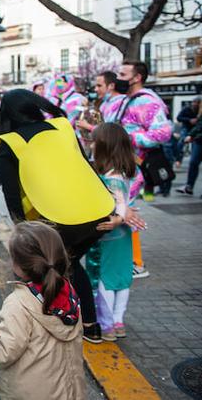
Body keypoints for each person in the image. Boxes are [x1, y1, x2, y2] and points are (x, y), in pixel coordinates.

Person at [0, 89, 116, 343]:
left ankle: (52, 329)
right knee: (70, 264)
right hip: (97, 214)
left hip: (56, 220)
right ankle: (90, 325)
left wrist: (23, 232)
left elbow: (12, 198)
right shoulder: (63, 127)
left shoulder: (9, 143)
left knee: (47, 270)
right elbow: (85, 166)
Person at [0, 221, 85, 400]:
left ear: (18, 264)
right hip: (70, 393)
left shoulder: (18, 303)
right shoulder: (69, 293)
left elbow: (3, 353)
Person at [90, 123, 143, 341]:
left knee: (104, 278)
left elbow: (119, 204)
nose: (90, 145)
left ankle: (107, 324)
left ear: (104, 147)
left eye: (94, 142)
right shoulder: (125, 173)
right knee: (121, 278)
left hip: (107, 236)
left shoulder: (110, 178)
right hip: (124, 236)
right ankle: (118, 321)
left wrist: (119, 217)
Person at [107, 61, 173, 201]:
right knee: (119, 211)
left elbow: (163, 133)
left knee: (122, 212)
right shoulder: (125, 100)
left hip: (135, 168)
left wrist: (129, 138)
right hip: (119, 165)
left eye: (123, 74)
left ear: (137, 78)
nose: (118, 78)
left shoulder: (147, 102)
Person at [177, 107, 202, 197]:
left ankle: (189, 186)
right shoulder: (190, 110)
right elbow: (199, 125)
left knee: (193, 162)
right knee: (193, 163)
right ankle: (189, 186)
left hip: (198, 139)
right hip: (198, 141)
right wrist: (191, 135)